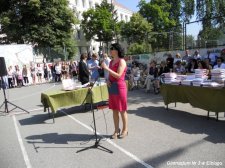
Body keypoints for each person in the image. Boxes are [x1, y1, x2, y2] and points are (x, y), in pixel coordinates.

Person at [101, 43, 128, 139]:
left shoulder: (122, 61)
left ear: (116, 50)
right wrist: (108, 80)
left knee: (122, 110)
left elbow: (118, 75)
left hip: (120, 87)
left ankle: (125, 129)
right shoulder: (111, 61)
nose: (110, 50)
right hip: (112, 87)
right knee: (114, 110)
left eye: (111, 49)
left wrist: (106, 68)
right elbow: (111, 75)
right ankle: (116, 130)